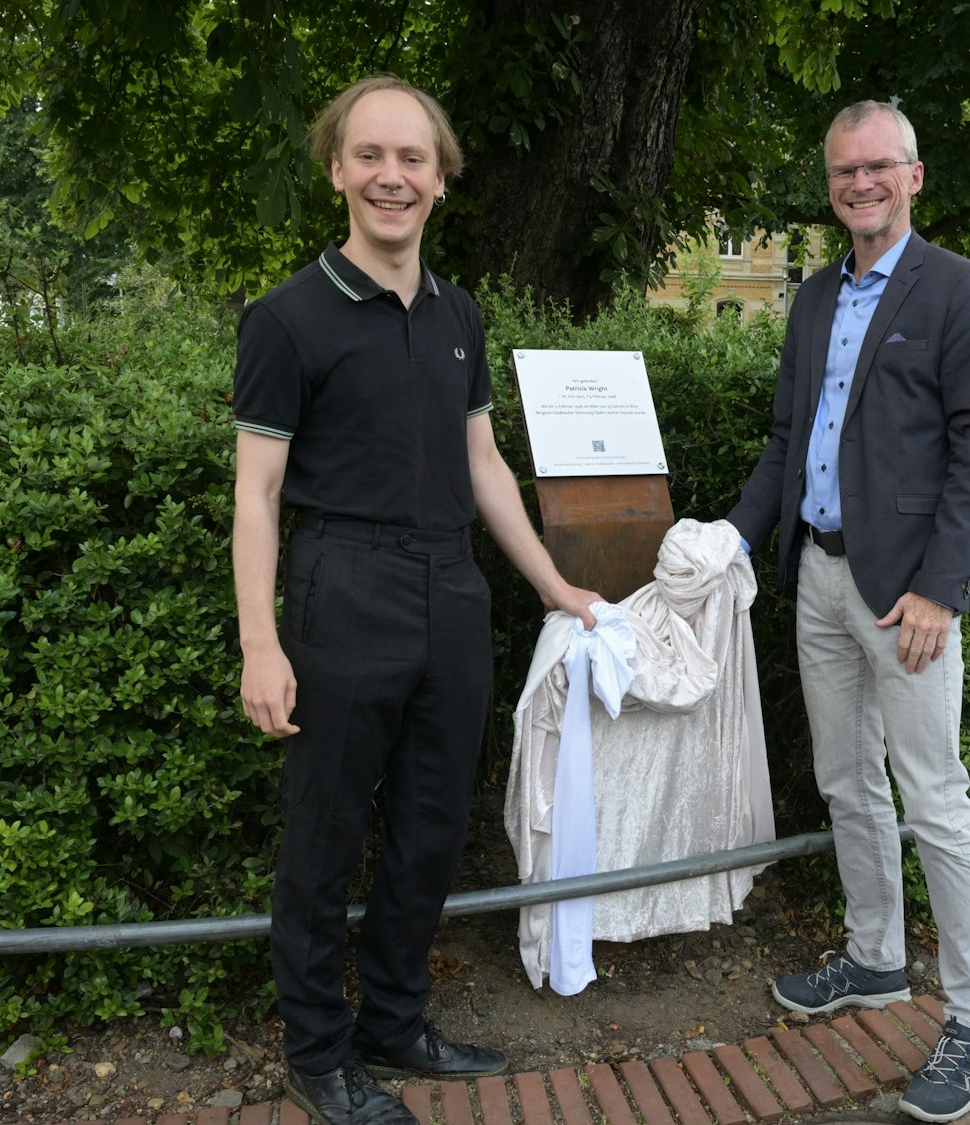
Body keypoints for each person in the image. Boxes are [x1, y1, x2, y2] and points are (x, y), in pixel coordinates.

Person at [231, 75, 600, 1125]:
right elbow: (256, 495)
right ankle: (319, 1052)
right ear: (337, 170)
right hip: (341, 587)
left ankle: (394, 1020)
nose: (391, 176)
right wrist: (261, 642)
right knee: (324, 834)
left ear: (440, 178)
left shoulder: (458, 313)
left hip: (451, 590)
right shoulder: (286, 319)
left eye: (412, 159)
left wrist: (548, 582)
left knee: (432, 825)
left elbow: (483, 461)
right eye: (369, 156)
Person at [726, 100, 970, 1123]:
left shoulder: (959, 292)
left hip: (905, 596)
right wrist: (733, 538)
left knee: (933, 798)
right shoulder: (812, 299)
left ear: (913, 175)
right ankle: (875, 958)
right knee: (846, 782)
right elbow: (783, 437)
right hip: (818, 575)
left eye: (876, 168)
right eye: (843, 172)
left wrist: (941, 587)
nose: (859, 185)